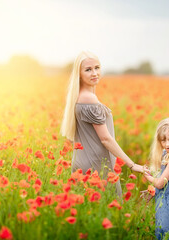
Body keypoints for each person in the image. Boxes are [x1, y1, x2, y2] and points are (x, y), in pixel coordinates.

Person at [60, 51, 147, 196]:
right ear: (79, 74)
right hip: (96, 165)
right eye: (88, 69)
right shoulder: (89, 99)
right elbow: (106, 139)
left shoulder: (78, 96)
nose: (94, 73)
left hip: (81, 164)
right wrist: (132, 165)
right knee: (108, 210)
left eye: (97, 68)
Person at [141, 118, 169, 240]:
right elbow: (162, 181)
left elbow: (161, 183)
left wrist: (147, 176)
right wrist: (153, 191)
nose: (167, 144)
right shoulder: (166, 154)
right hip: (163, 200)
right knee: (161, 232)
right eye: (163, 140)